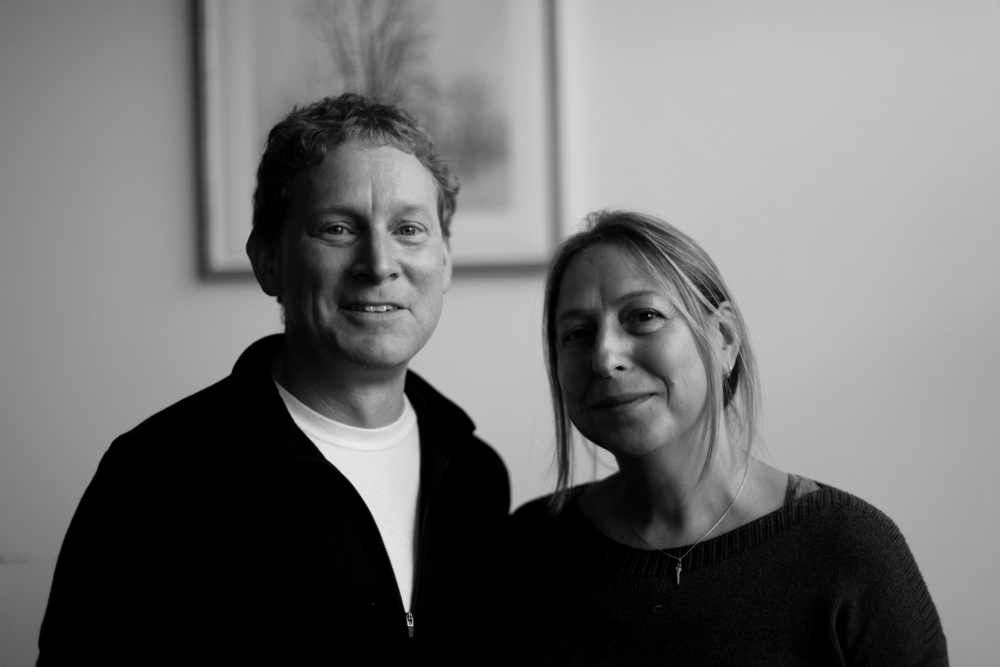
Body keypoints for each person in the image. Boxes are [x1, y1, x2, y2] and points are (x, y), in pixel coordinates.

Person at [38, 93, 510, 664]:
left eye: (409, 229)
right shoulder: (155, 478)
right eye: (338, 228)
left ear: (445, 261)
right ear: (268, 260)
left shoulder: (478, 475)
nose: (380, 264)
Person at [510, 210, 947, 666]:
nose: (604, 357)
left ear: (723, 338)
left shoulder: (851, 552)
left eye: (643, 316)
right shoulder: (529, 548)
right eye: (577, 334)